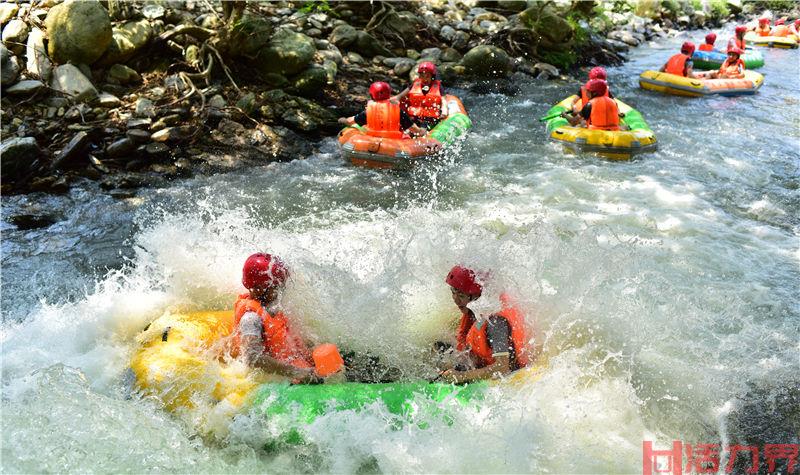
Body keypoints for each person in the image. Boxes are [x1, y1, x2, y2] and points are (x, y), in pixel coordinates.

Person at [233, 253, 342, 382]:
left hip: (299, 366)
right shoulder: (251, 318)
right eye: (277, 286)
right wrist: (299, 373)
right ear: (262, 288)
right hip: (283, 379)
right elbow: (252, 357)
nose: (282, 290)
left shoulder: (273, 308)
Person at [437, 265, 532, 384]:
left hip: (514, 378)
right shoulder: (473, 312)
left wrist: (460, 376)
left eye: (461, 295)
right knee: (438, 346)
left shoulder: (496, 323)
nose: (455, 300)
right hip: (482, 363)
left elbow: (503, 368)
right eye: (453, 292)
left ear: (477, 296)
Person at [338, 81, 425, 138]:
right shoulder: (398, 111)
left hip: (371, 140)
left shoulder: (368, 111)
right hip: (394, 145)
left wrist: (342, 120)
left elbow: (349, 122)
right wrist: (422, 131)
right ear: (389, 94)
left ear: (372, 95)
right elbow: (413, 129)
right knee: (407, 136)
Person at [392, 62, 449, 130]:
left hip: (429, 119)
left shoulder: (438, 86)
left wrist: (444, 111)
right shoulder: (415, 84)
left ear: (432, 77)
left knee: (423, 127)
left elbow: (444, 100)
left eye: (427, 76)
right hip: (414, 117)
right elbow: (399, 96)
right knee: (407, 126)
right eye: (422, 76)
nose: (425, 79)